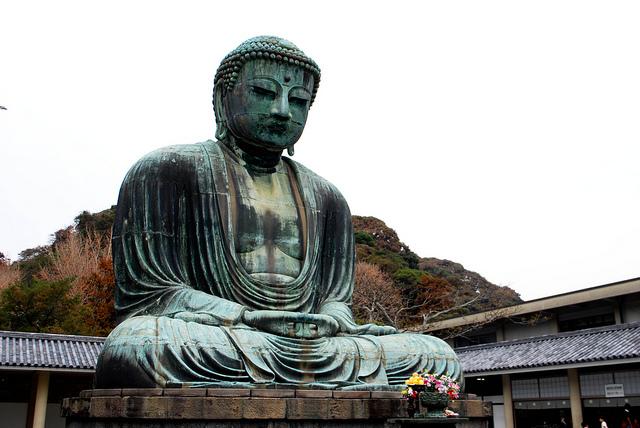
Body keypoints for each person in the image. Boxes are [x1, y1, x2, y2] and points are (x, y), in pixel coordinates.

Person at [95, 36, 462, 389]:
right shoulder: (167, 170)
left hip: (316, 345)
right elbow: (153, 295)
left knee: (437, 359)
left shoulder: (328, 197)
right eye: (264, 92)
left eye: (299, 100)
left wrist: (331, 322)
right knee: (138, 344)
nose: (282, 111)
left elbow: (334, 299)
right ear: (224, 97)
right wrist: (245, 316)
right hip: (221, 335)